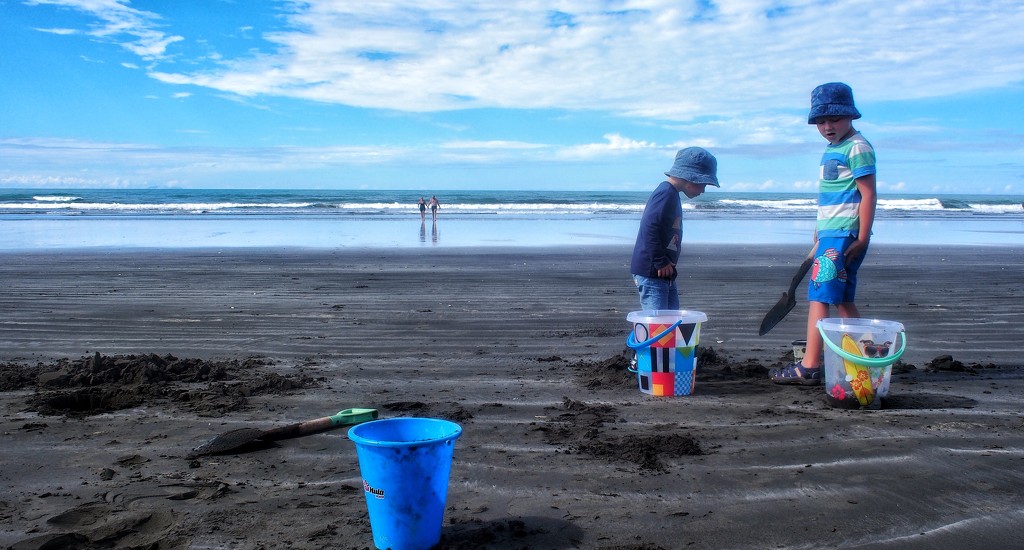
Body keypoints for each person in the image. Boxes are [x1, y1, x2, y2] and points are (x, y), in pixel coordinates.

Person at [769, 82, 877, 385]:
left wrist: (862, 236)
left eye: (834, 119)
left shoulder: (857, 147)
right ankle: (863, 357)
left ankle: (810, 365)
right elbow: (836, 196)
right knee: (841, 298)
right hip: (833, 232)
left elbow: (867, 194)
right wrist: (822, 228)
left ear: (850, 116)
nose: (828, 126)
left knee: (818, 297)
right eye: (821, 121)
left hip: (844, 235)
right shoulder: (834, 149)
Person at [630, 147, 720, 311]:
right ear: (691, 178)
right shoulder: (665, 194)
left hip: (664, 271)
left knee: (671, 319)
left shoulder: (671, 194)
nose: (703, 190)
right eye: (704, 184)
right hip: (652, 271)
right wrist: (660, 261)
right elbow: (649, 227)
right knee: (657, 325)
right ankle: (650, 337)